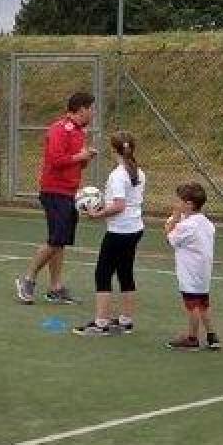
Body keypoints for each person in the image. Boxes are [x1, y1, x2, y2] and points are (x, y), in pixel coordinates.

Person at [16, 91, 97, 305]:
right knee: (55, 240)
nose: (93, 113)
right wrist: (80, 156)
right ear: (81, 109)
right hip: (55, 191)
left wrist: (85, 158)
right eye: (91, 109)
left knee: (60, 242)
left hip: (69, 192)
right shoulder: (60, 129)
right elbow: (55, 160)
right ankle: (27, 279)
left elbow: (75, 163)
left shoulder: (79, 132)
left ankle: (55, 287)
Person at [74, 132, 145, 336]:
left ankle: (101, 323)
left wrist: (97, 214)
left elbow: (119, 205)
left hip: (120, 231)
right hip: (135, 228)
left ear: (114, 149)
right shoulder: (138, 172)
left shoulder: (118, 175)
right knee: (125, 272)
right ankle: (126, 321)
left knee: (103, 273)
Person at [164, 182, 220, 350]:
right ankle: (212, 336)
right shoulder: (206, 223)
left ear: (188, 204)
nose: (176, 204)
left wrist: (174, 219)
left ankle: (192, 337)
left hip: (190, 270)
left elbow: (170, 237)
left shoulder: (187, 226)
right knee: (203, 303)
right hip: (203, 270)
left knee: (192, 305)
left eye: (179, 201)